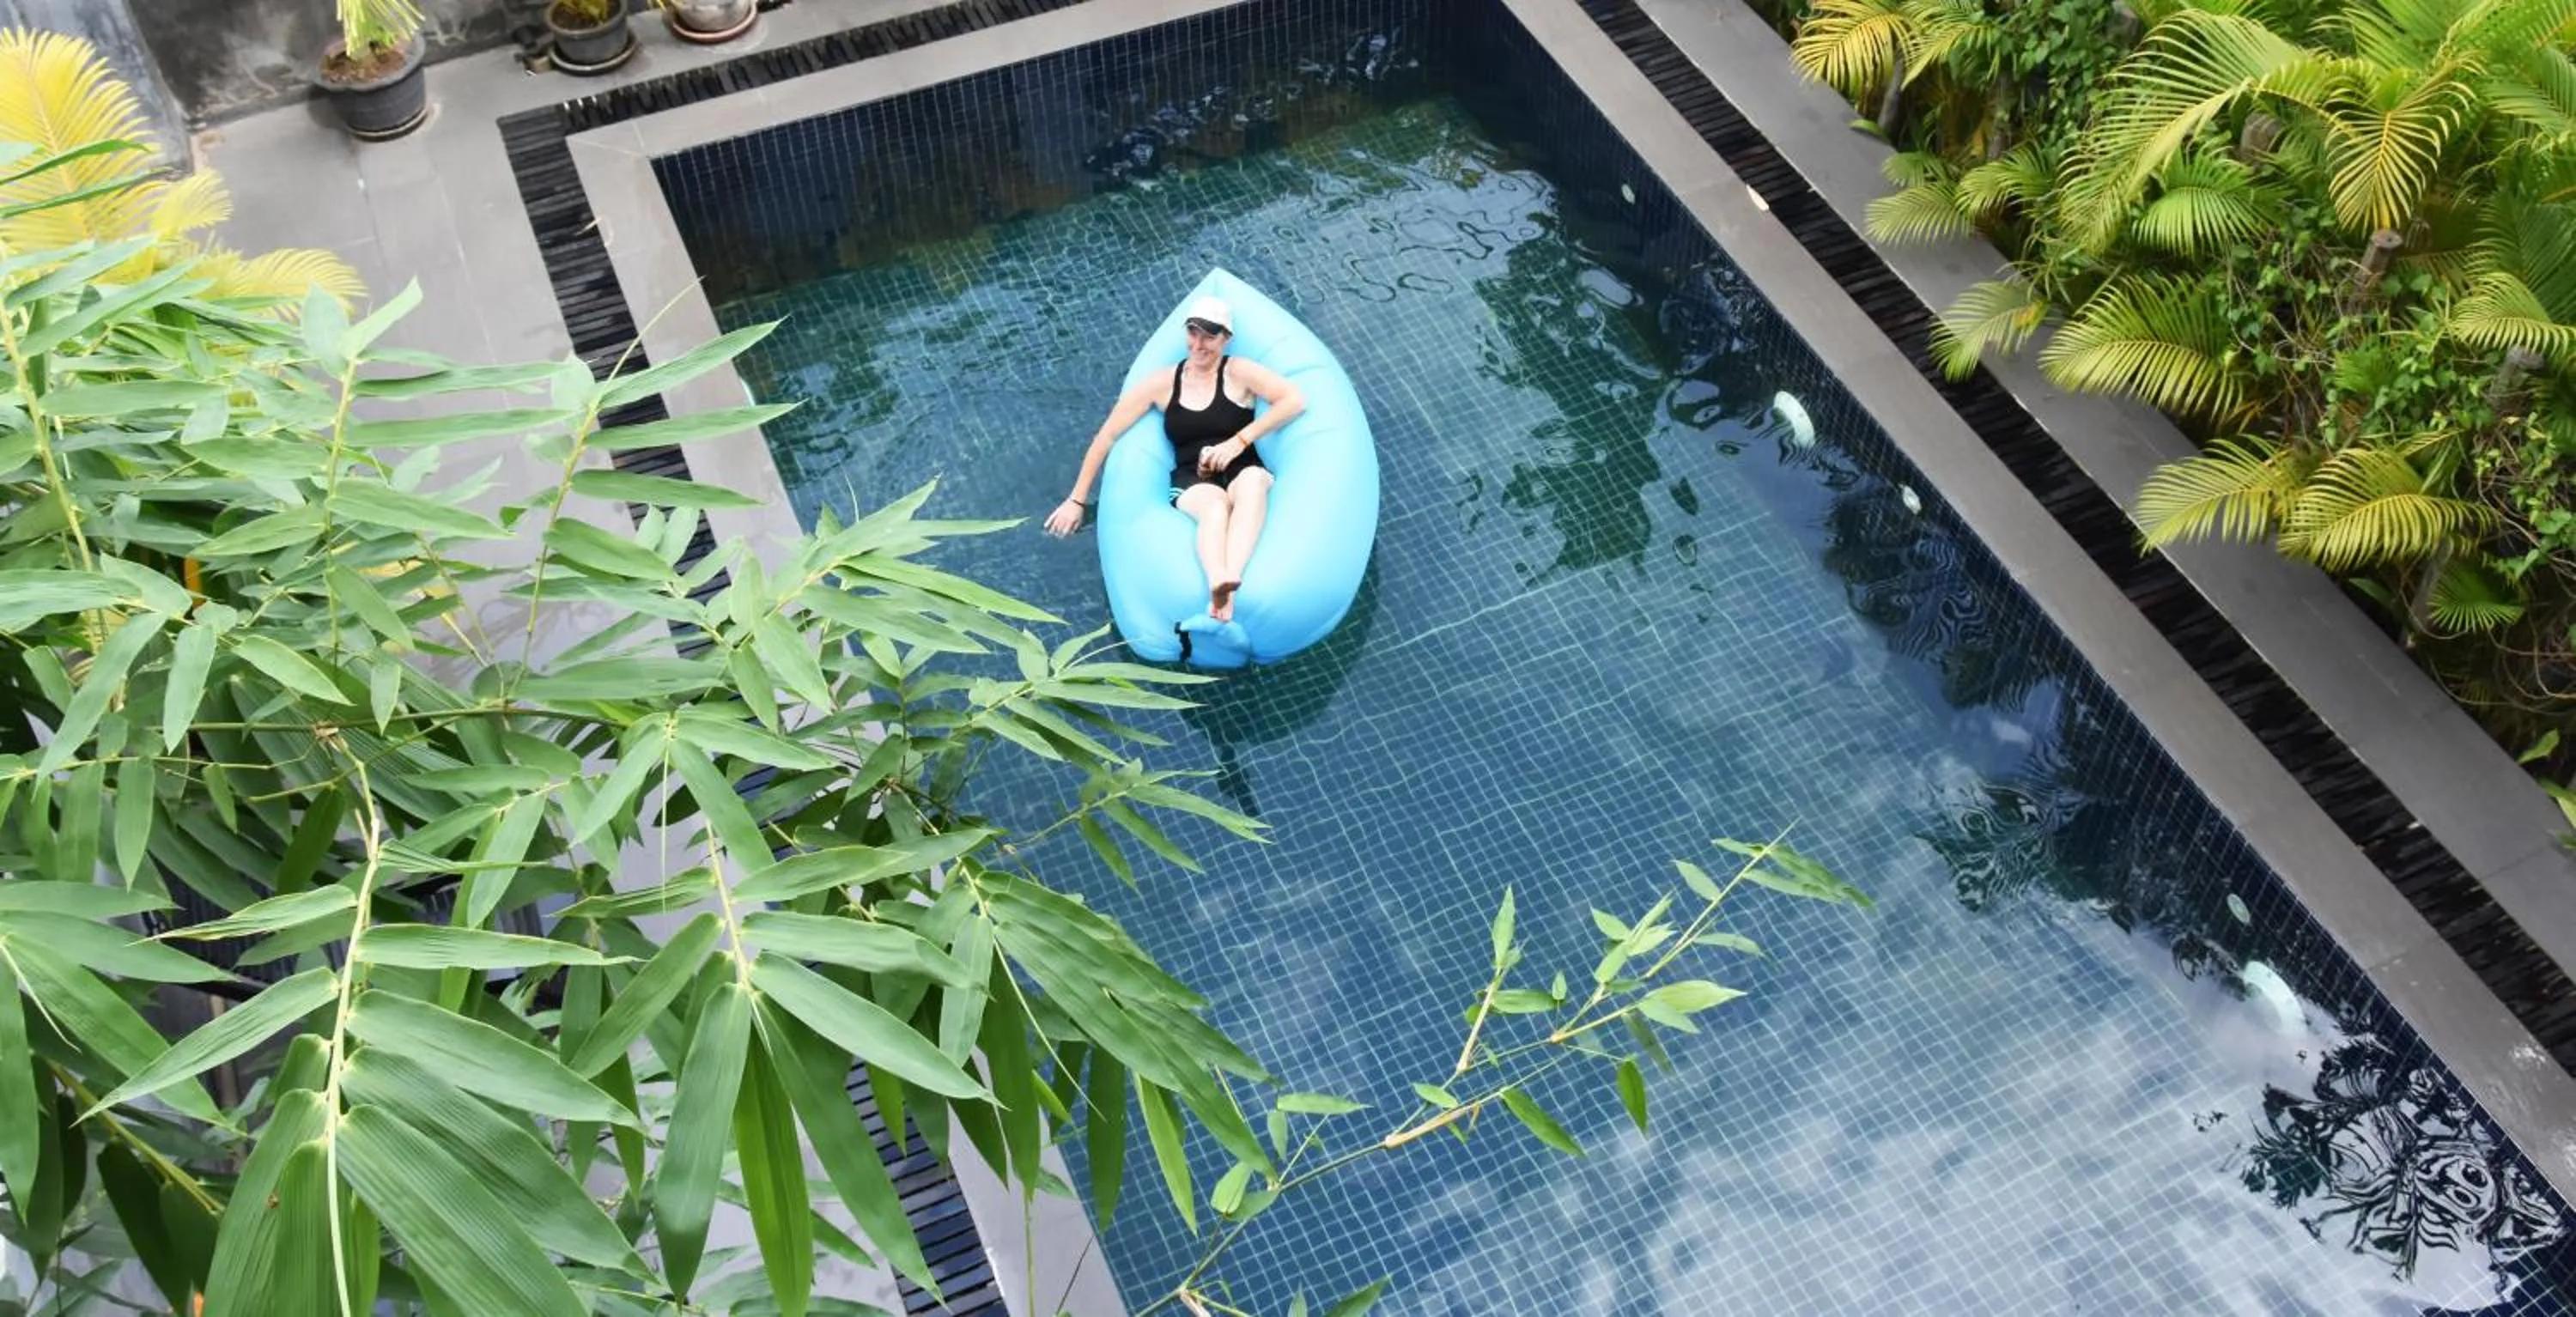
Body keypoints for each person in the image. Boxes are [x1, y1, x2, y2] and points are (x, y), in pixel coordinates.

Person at [1045, 295, 1305, 623]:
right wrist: (1076, 500)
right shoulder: (1163, 383)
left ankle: (1231, 582)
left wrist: (1238, 441)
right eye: (1194, 332)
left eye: (1210, 335)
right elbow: (1107, 435)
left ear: (1226, 338)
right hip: (1193, 477)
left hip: (1242, 464)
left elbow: (1293, 400)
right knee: (1215, 507)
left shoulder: (1238, 372)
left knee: (1252, 484)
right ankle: (1217, 580)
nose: (1199, 344)